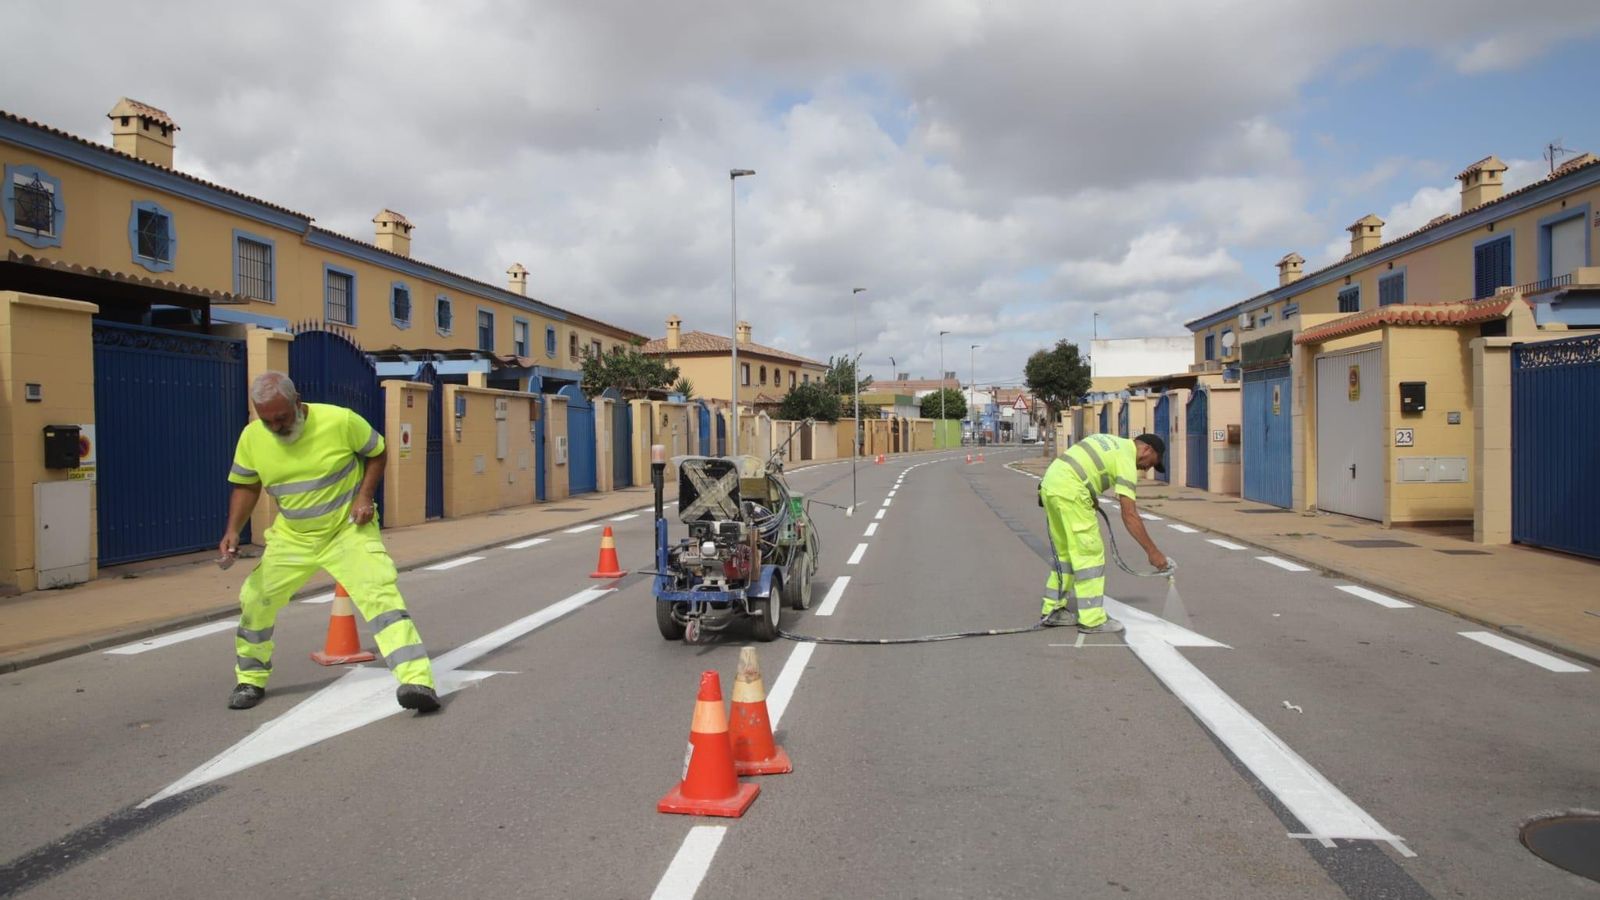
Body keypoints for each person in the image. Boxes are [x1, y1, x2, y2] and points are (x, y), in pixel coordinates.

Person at [219, 371, 439, 712]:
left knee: (379, 593)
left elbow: (377, 452)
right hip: (293, 536)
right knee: (256, 598)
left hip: (347, 529)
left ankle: (417, 680)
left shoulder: (340, 420)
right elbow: (247, 486)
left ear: (298, 401)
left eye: (282, 418)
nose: (276, 427)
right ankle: (250, 679)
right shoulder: (252, 438)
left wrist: (365, 496)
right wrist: (233, 529)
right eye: (268, 421)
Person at [1039, 432, 1171, 633]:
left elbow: (1084, 466)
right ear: (1146, 450)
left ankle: (1053, 610)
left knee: (1065, 554)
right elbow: (1129, 514)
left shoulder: (1109, 440)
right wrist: (1153, 552)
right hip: (1071, 491)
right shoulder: (1126, 459)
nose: (1147, 469)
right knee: (1089, 555)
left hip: (1051, 485)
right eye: (1152, 463)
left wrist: (1090, 494)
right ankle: (1092, 620)